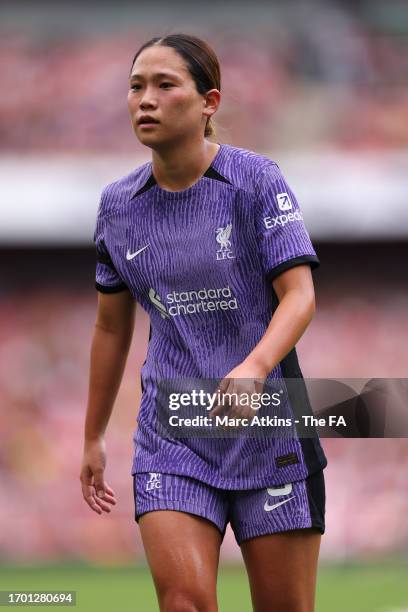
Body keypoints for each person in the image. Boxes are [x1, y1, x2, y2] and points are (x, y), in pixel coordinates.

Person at [80, 33, 327, 612]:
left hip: (271, 430)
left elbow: (300, 295)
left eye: (165, 85)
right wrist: (92, 435)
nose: (146, 99)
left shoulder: (256, 181)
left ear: (209, 102)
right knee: (184, 602)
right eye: (136, 86)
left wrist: (255, 367)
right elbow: (111, 328)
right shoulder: (117, 206)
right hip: (172, 434)